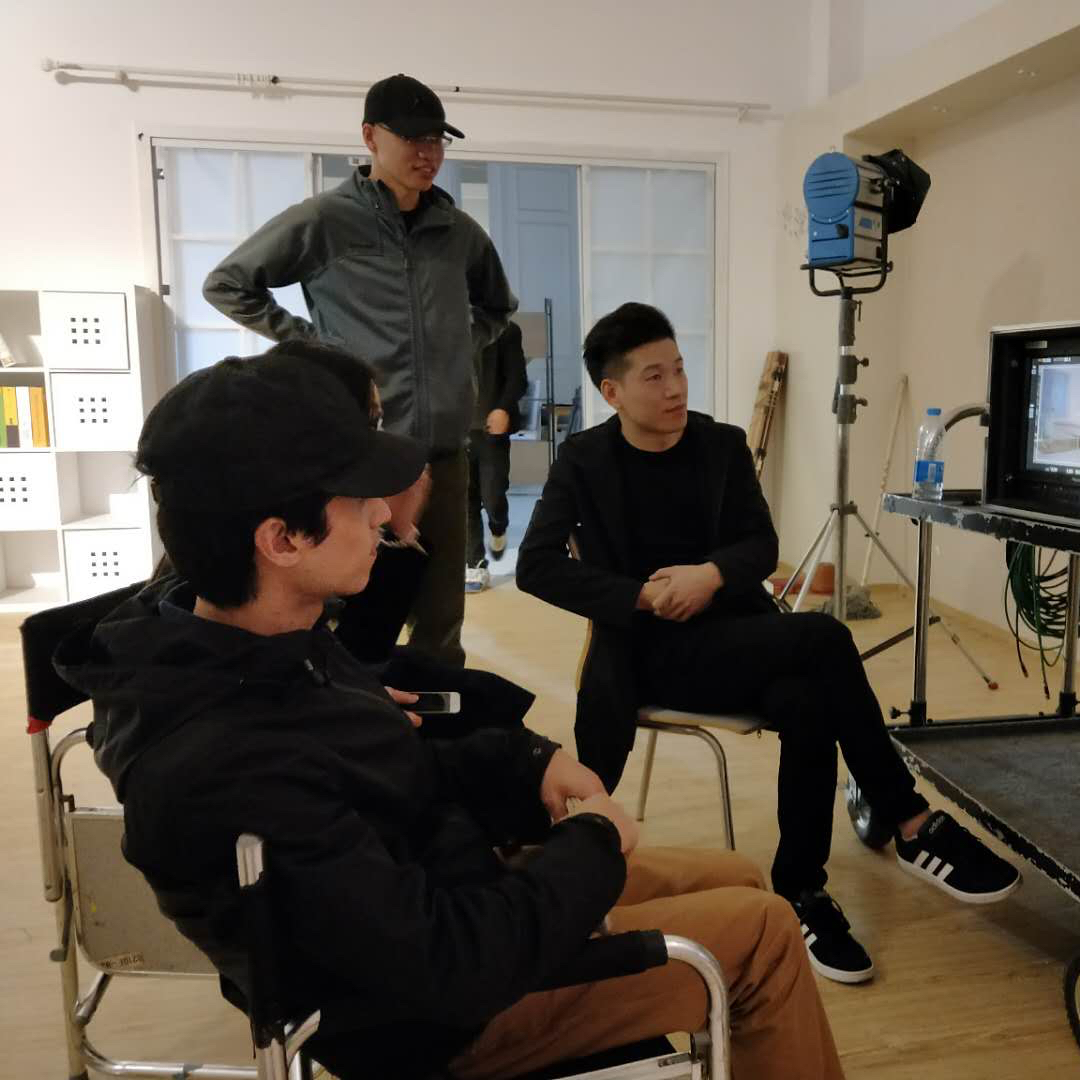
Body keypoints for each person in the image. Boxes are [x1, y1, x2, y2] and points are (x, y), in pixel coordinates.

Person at [56, 349, 845, 1080]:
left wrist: (529, 765)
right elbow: (452, 966)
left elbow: (389, 772)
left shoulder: (262, 641)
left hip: (450, 893)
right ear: (282, 538)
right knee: (766, 935)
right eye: (358, 498)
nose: (381, 512)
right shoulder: (225, 756)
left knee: (742, 879)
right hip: (439, 1020)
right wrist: (593, 842)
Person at [516, 302, 1022, 986]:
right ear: (612, 392)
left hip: (736, 636)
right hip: (648, 655)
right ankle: (907, 818)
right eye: (654, 377)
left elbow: (760, 544)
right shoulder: (584, 460)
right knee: (825, 637)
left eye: (680, 369)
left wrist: (710, 575)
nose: (676, 388)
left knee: (808, 699)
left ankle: (800, 890)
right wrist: (641, 596)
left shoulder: (720, 445)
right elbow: (537, 565)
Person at [203, 72, 517, 667]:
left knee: (441, 616)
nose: (428, 154)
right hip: (361, 454)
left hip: (443, 456)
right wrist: (319, 347)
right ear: (371, 137)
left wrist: (456, 345)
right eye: (413, 139)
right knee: (351, 611)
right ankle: (348, 709)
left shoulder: (459, 233)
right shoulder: (326, 221)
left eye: (437, 141)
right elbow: (228, 284)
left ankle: (431, 711)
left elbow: (497, 308)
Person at [466, 320, 528, 591]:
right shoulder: (445, 329)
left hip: (492, 429)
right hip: (457, 429)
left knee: (493, 494)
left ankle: (498, 527)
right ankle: (475, 564)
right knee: (465, 499)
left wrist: (503, 408)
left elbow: (518, 378)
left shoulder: (506, 331)